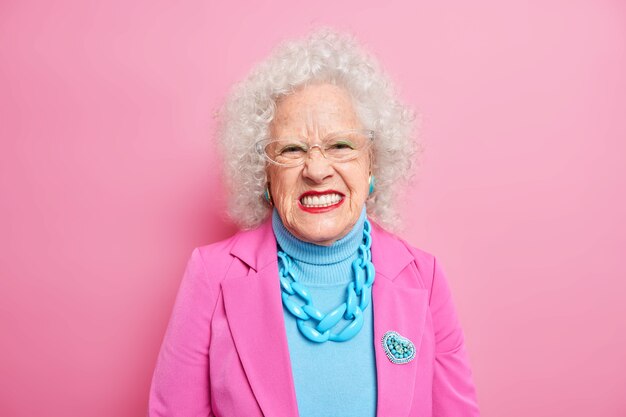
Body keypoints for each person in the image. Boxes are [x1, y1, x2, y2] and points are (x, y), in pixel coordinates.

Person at [148, 28, 480, 417]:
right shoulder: (211, 276)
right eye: (291, 149)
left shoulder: (424, 278)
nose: (317, 170)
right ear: (265, 175)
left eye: (341, 145)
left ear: (372, 163)